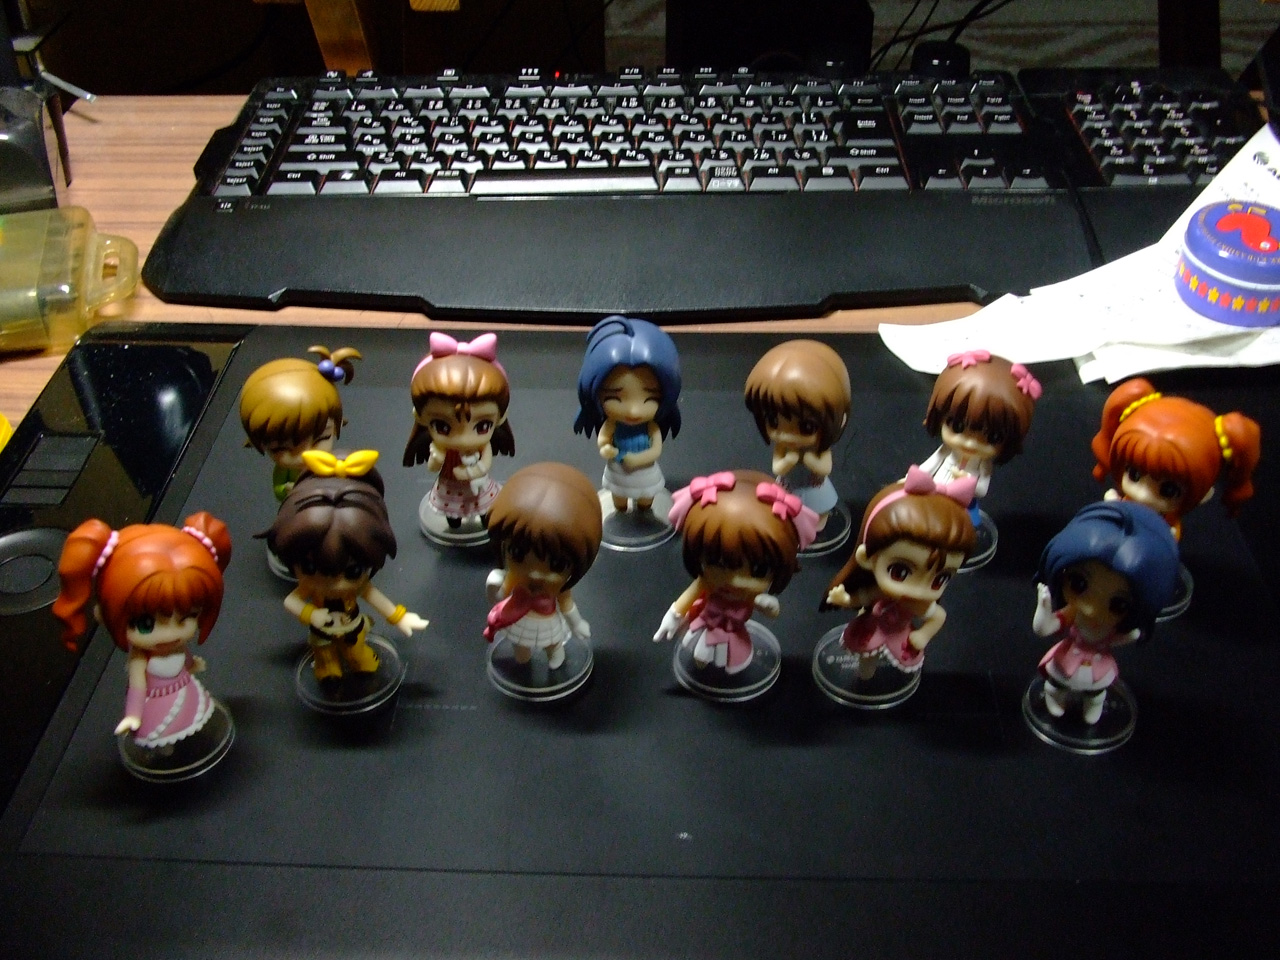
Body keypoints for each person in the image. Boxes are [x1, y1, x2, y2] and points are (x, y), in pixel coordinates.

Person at [54, 511, 232, 749]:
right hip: (157, 704)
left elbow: (183, 658)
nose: (170, 634)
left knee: (192, 718)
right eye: (146, 624)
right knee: (161, 736)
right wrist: (133, 715)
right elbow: (137, 688)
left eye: (187, 617)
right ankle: (164, 748)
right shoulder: (140, 660)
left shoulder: (175, 649)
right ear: (105, 615)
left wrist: (191, 664)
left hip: (184, 693)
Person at [264, 450, 428, 682]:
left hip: (353, 629)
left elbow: (373, 596)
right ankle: (328, 668)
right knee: (326, 658)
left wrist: (399, 618)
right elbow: (291, 601)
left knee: (360, 656)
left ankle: (359, 662)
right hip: (322, 633)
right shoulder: (311, 587)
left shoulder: (356, 586)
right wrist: (312, 614)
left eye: (352, 572)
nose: (336, 584)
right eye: (310, 568)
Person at [654, 469, 818, 674]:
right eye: (719, 563)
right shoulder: (708, 582)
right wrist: (673, 616)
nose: (735, 581)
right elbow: (692, 593)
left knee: (730, 655)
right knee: (700, 654)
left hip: (734, 630)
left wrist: (766, 605)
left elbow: (772, 611)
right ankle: (703, 666)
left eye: (758, 571)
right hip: (706, 621)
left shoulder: (749, 596)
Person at [1032, 500, 1180, 725]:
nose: (1092, 608)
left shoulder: (1113, 627)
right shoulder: (1073, 614)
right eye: (1079, 584)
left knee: (1095, 692)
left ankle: (1093, 704)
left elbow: (1128, 636)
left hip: (1099, 666)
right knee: (1057, 683)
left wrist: (1131, 633)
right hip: (1067, 660)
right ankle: (1055, 696)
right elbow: (1044, 628)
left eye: (1118, 604)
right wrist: (1044, 609)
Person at [824, 467, 974, 680]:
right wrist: (845, 599)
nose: (918, 590)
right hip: (871, 631)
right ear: (867, 557)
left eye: (939, 579)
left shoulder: (919, 604)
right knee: (867, 662)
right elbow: (863, 597)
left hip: (900, 637)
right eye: (900, 572)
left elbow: (938, 617)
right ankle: (865, 676)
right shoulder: (879, 592)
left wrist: (923, 635)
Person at [1090, 378, 1260, 541]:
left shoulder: (1166, 523)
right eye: (1134, 474)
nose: (1142, 495)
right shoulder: (1125, 503)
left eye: (1168, 490)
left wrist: (1165, 538)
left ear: (1203, 494)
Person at [484, 462, 603, 670]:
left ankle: (554, 654)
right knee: (520, 643)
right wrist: (496, 590)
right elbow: (500, 593)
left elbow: (566, 604)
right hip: (518, 617)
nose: (535, 574)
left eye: (557, 565)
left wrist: (576, 623)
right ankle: (522, 655)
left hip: (547, 620)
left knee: (552, 643)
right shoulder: (514, 578)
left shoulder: (559, 589)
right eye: (517, 554)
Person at [404, 332, 515, 530]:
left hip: (476, 483)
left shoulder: (482, 448)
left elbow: (485, 462)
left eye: (482, 426)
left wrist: (472, 471)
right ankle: (454, 522)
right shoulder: (440, 447)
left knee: (483, 508)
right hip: (450, 485)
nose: (464, 439)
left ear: (500, 417)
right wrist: (436, 459)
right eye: (443, 426)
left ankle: (485, 519)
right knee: (452, 515)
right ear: (420, 417)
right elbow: (432, 467)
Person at [573, 316, 682, 515]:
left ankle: (645, 511)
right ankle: (620, 511)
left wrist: (638, 459)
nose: (633, 411)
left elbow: (656, 450)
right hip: (618, 471)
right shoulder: (612, 424)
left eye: (649, 399)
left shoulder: (651, 427)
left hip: (644, 472)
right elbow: (603, 440)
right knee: (618, 498)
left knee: (646, 498)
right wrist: (605, 448)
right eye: (615, 398)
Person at [743, 339, 850, 531]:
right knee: (786, 514)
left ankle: (815, 527)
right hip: (789, 487)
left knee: (819, 510)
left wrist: (810, 461)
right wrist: (788, 460)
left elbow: (825, 467)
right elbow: (777, 467)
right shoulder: (782, 448)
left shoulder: (819, 448)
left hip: (814, 487)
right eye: (773, 422)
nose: (787, 436)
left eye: (807, 427)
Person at [239, 345, 361, 502]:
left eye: (321, 438)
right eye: (281, 448)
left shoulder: (334, 463)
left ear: (336, 428)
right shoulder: (285, 471)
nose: (305, 455)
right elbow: (279, 488)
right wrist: (287, 490)